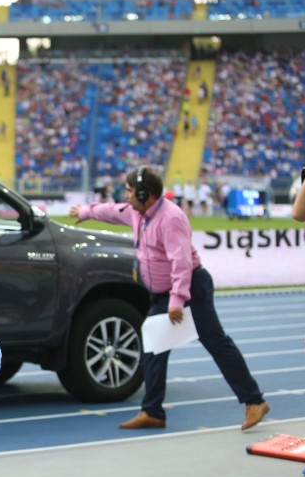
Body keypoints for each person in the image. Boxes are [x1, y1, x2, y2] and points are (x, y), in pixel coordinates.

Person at [68, 166, 269, 432]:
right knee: (153, 347)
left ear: (144, 193)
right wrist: (85, 212)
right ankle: (152, 411)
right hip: (163, 293)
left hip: (190, 289)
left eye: (129, 192)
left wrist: (177, 300)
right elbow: (112, 211)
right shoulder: (137, 212)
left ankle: (254, 401)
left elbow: (181, 262)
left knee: (216, 342)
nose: (125, 196)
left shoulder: (171, 218)